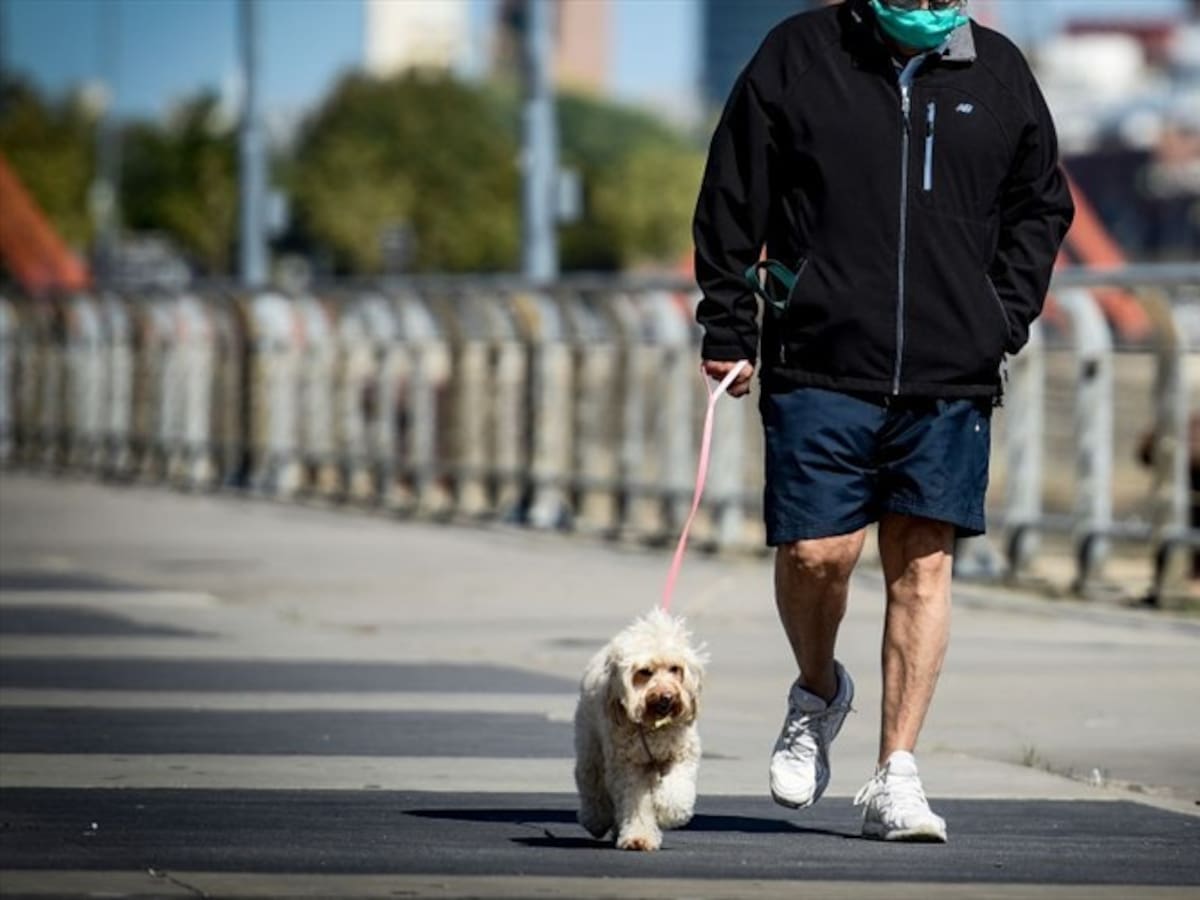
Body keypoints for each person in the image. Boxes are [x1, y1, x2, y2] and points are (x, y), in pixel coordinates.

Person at [692, 0, 1074, 842]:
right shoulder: (799, 53)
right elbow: (732, 193)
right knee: (817, 553)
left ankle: (895, 772)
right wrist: (727, 324)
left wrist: (998, 317)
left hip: (951, 370)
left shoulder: (1000, 71)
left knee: (923, 566)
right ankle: (819, 690)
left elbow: (1041, 205)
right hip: (820, 359)